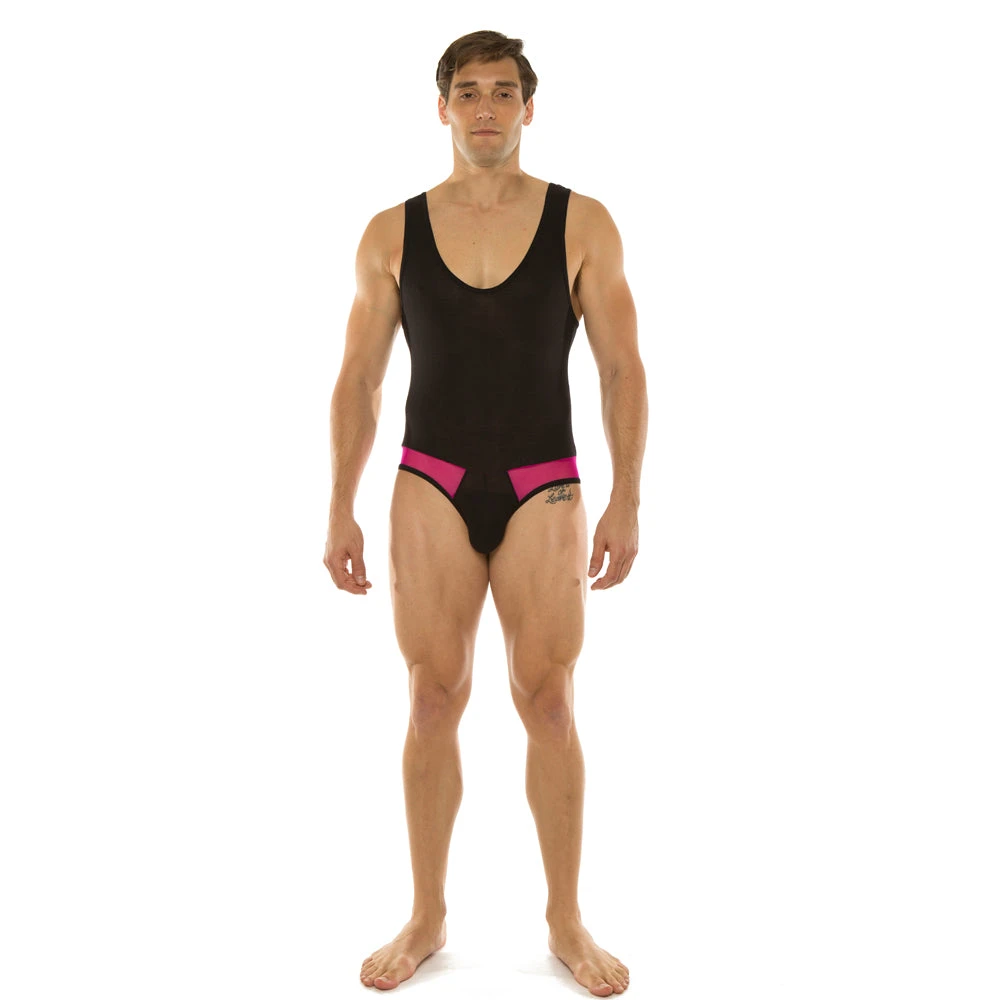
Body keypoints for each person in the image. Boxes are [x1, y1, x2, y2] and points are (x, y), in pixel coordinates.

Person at [324, 29, 647, 997]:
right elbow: (360, 378)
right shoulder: (391, 232)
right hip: (429, 478)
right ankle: (426, 915)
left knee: (548, 700)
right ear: (442, 108)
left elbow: (622, 369)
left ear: (528, 108)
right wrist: (338, 505)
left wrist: (627, 497)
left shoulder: (583, 222)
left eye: (504, 92)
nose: (486, 109)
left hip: (546, 482)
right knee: (431, 697)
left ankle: (565, 920)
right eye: (467, 92)